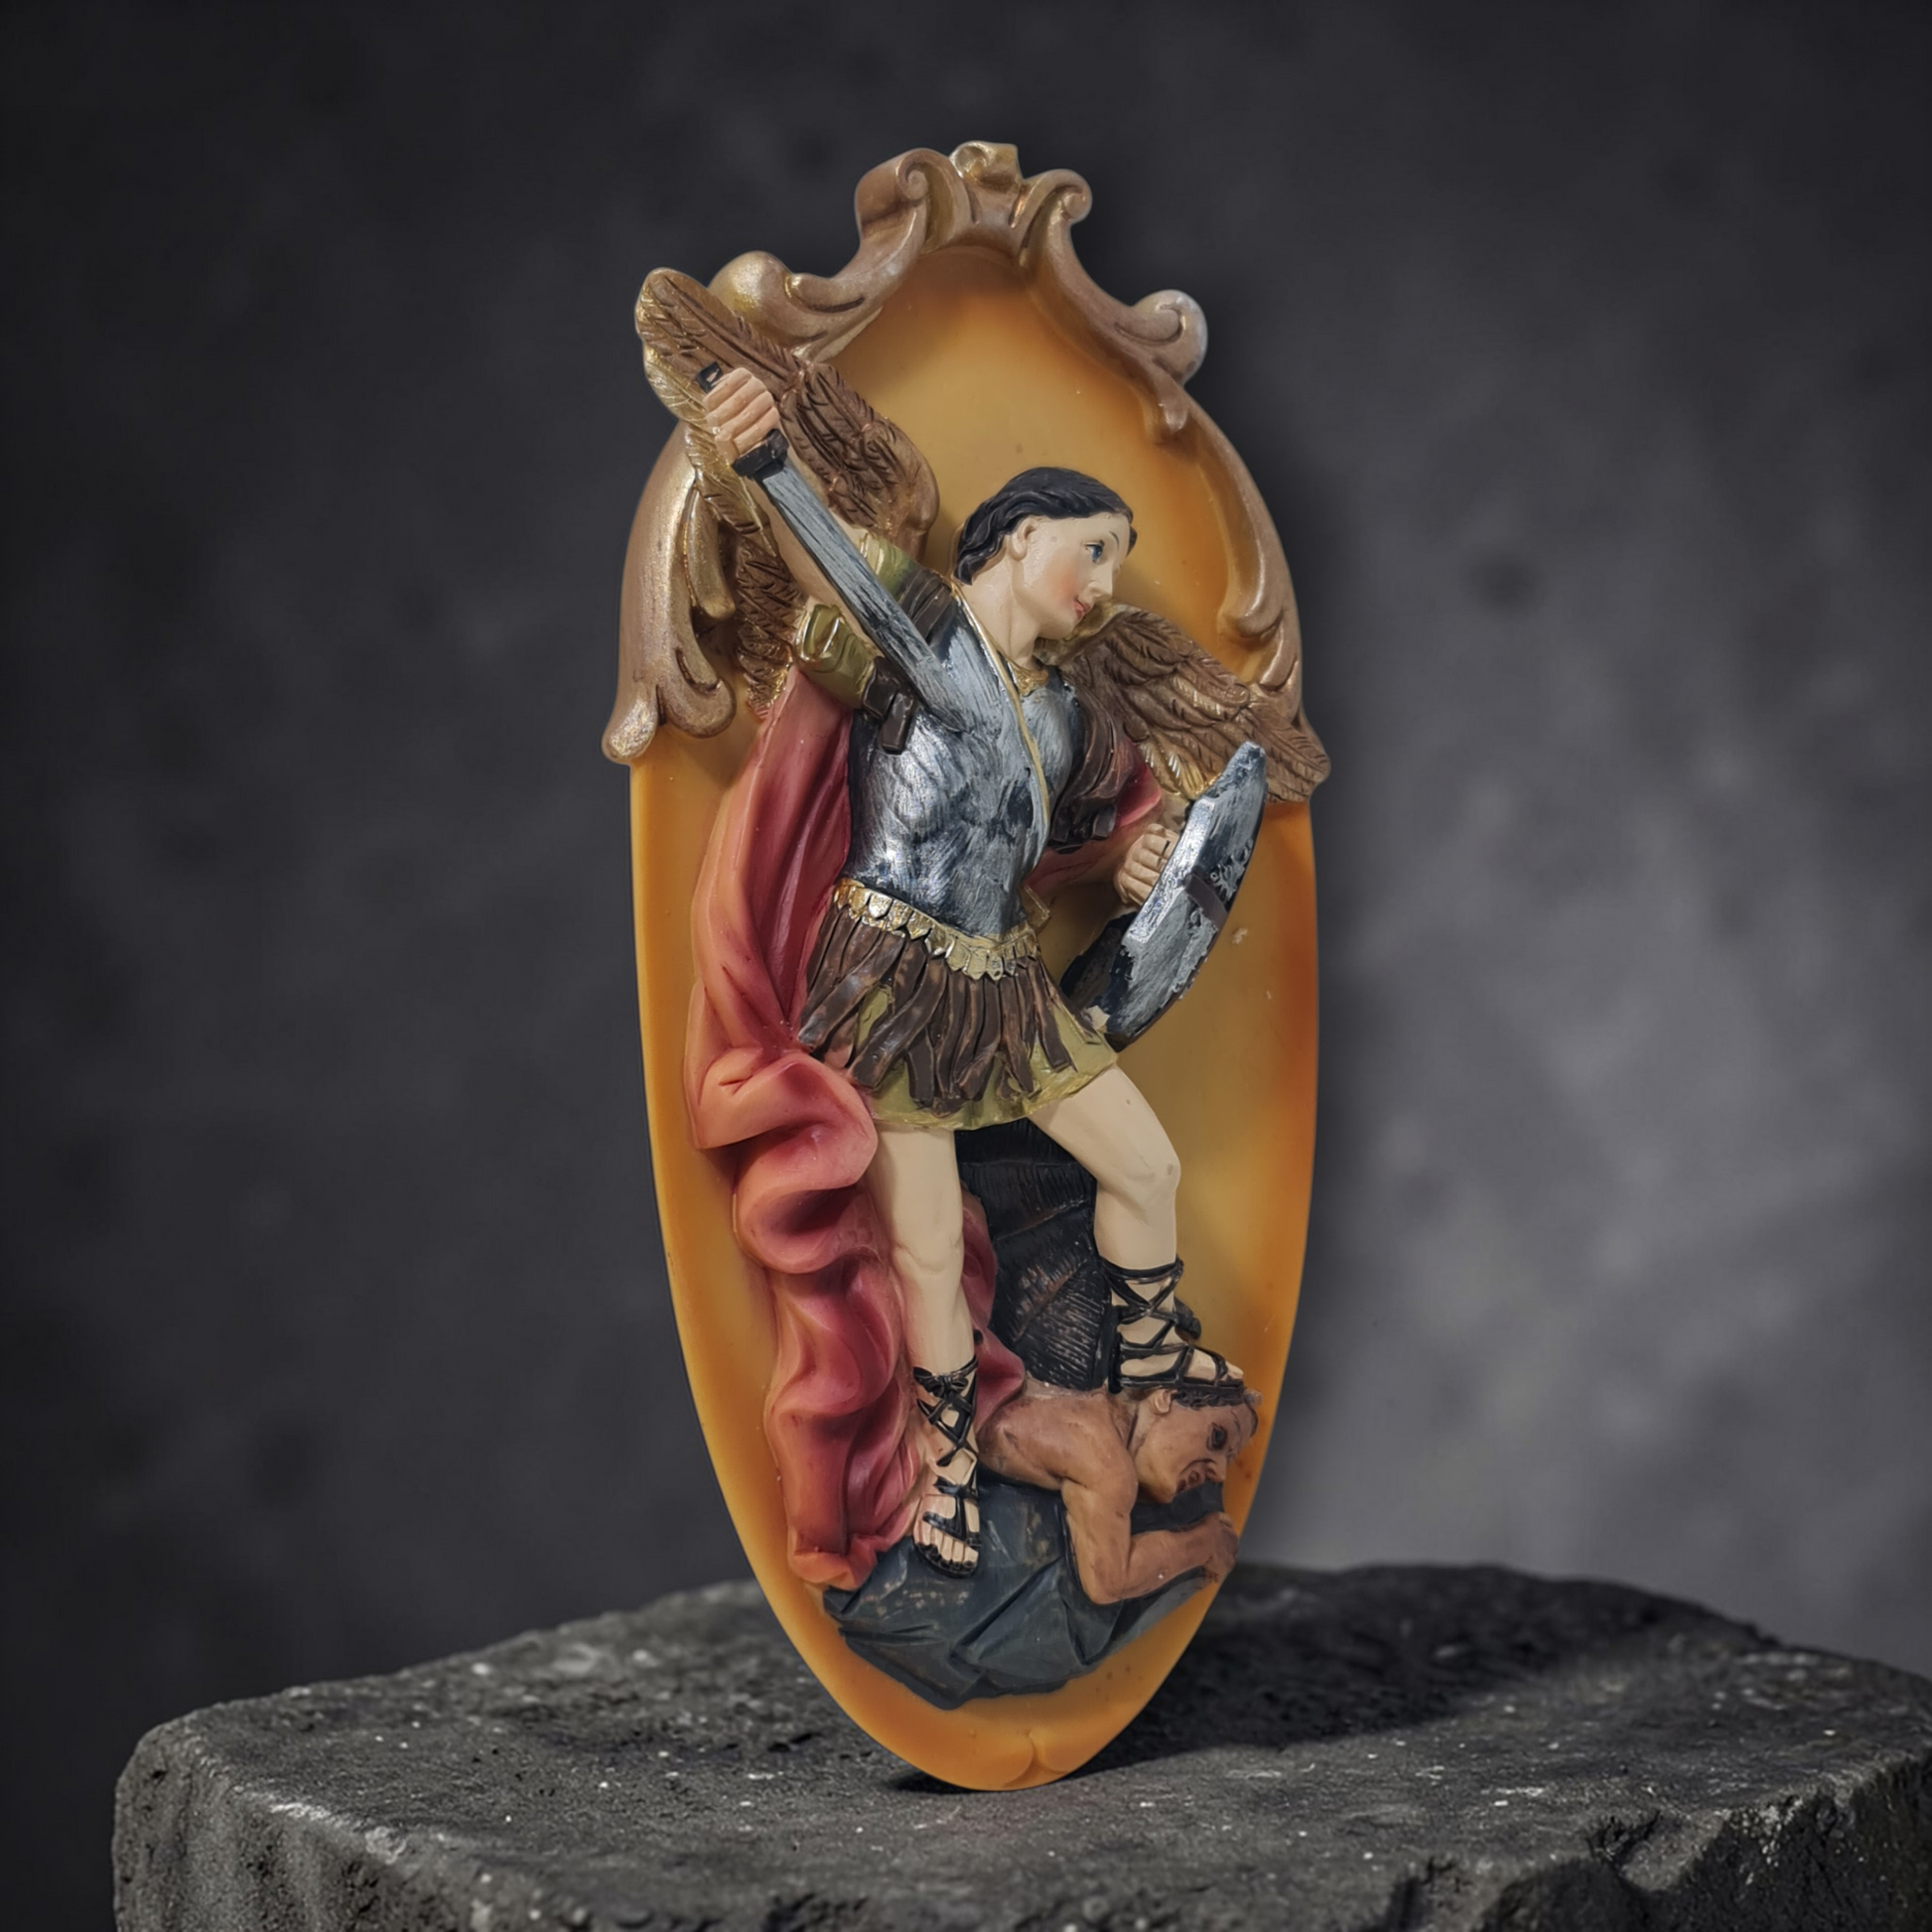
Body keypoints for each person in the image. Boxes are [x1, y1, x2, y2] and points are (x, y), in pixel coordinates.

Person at [703, 367, 1242, 1579]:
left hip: (1004, 987)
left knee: (1146, 1165)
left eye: (1117, 561)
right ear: (1017, 536)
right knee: (928, 1253)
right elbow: (835, 570)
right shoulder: (923, 633)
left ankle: (1151, 1366)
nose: (1105, 584)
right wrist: (766, 460)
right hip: (891, 981)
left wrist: (1127, 855)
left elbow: (1063, 839)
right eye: (1093, 549)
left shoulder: (1062, 718)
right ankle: (944, 1461)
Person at [979, 1379, 1255, 1604]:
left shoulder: (1096, 1410)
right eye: (1217, 1437)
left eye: (1228, 1459)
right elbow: (1109, 1582)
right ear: (1166, 1398)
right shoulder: (1104, 1459)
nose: (1219, 1473)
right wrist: (1205, 1543)